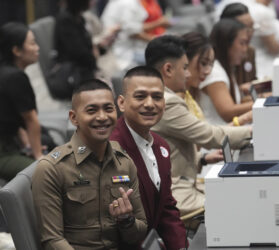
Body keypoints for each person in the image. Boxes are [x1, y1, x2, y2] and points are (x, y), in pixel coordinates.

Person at [32, 79, 147, 249]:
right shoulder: (52, 168)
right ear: (74, 117)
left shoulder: (123, 163)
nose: (102, 117)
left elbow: (140, 231)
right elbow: (52, 240)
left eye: (108, 109)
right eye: (92, 110)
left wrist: (126, 221)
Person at [145, 35, 252, 215]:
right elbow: (209, 136)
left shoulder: (169, 96)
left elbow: (167, 152)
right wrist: (252, 131)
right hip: (178, 194)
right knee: (240, 205)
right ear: (168, 69)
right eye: (185, 68)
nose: (188, 74)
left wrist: (201, 159)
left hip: (184, 183)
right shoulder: (166, 101)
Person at [110, 66, 188, 249]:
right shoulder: (110, 150)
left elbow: (166, 209)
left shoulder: (161, 146)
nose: (150, 104)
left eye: (157, 97)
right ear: (121, 103)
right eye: (140, 96)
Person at [0, 22, 42, 181]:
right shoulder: (16, 77)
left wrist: (27, 145)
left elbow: (12, 118)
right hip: (4, 152)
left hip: (11, 144)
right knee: (44, 172)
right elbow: (30, 119)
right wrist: (38, 156)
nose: (37, 47)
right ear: (16, 50)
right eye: (32, 43)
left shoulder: (6, 73)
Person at [198, 19, 253, 125]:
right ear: (226, 44)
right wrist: (261, 103)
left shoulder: (226, 67)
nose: (245, 49)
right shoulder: (215, 72)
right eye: (242, 43)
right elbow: (228, 112)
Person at [101, 0, 170, 70]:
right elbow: (132, 31)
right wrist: (156, 39)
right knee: (163, 59)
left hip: (124, 48)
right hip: (122, 52)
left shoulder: (128, 2)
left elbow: (135, 27)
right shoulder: (127, 3)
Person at [220, 2, 257, 96]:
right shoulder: (215, 59)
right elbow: (227, 109)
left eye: (252, 27)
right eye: (245, 28)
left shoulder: (250, 51)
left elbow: (252, 82)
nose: (250, 33)